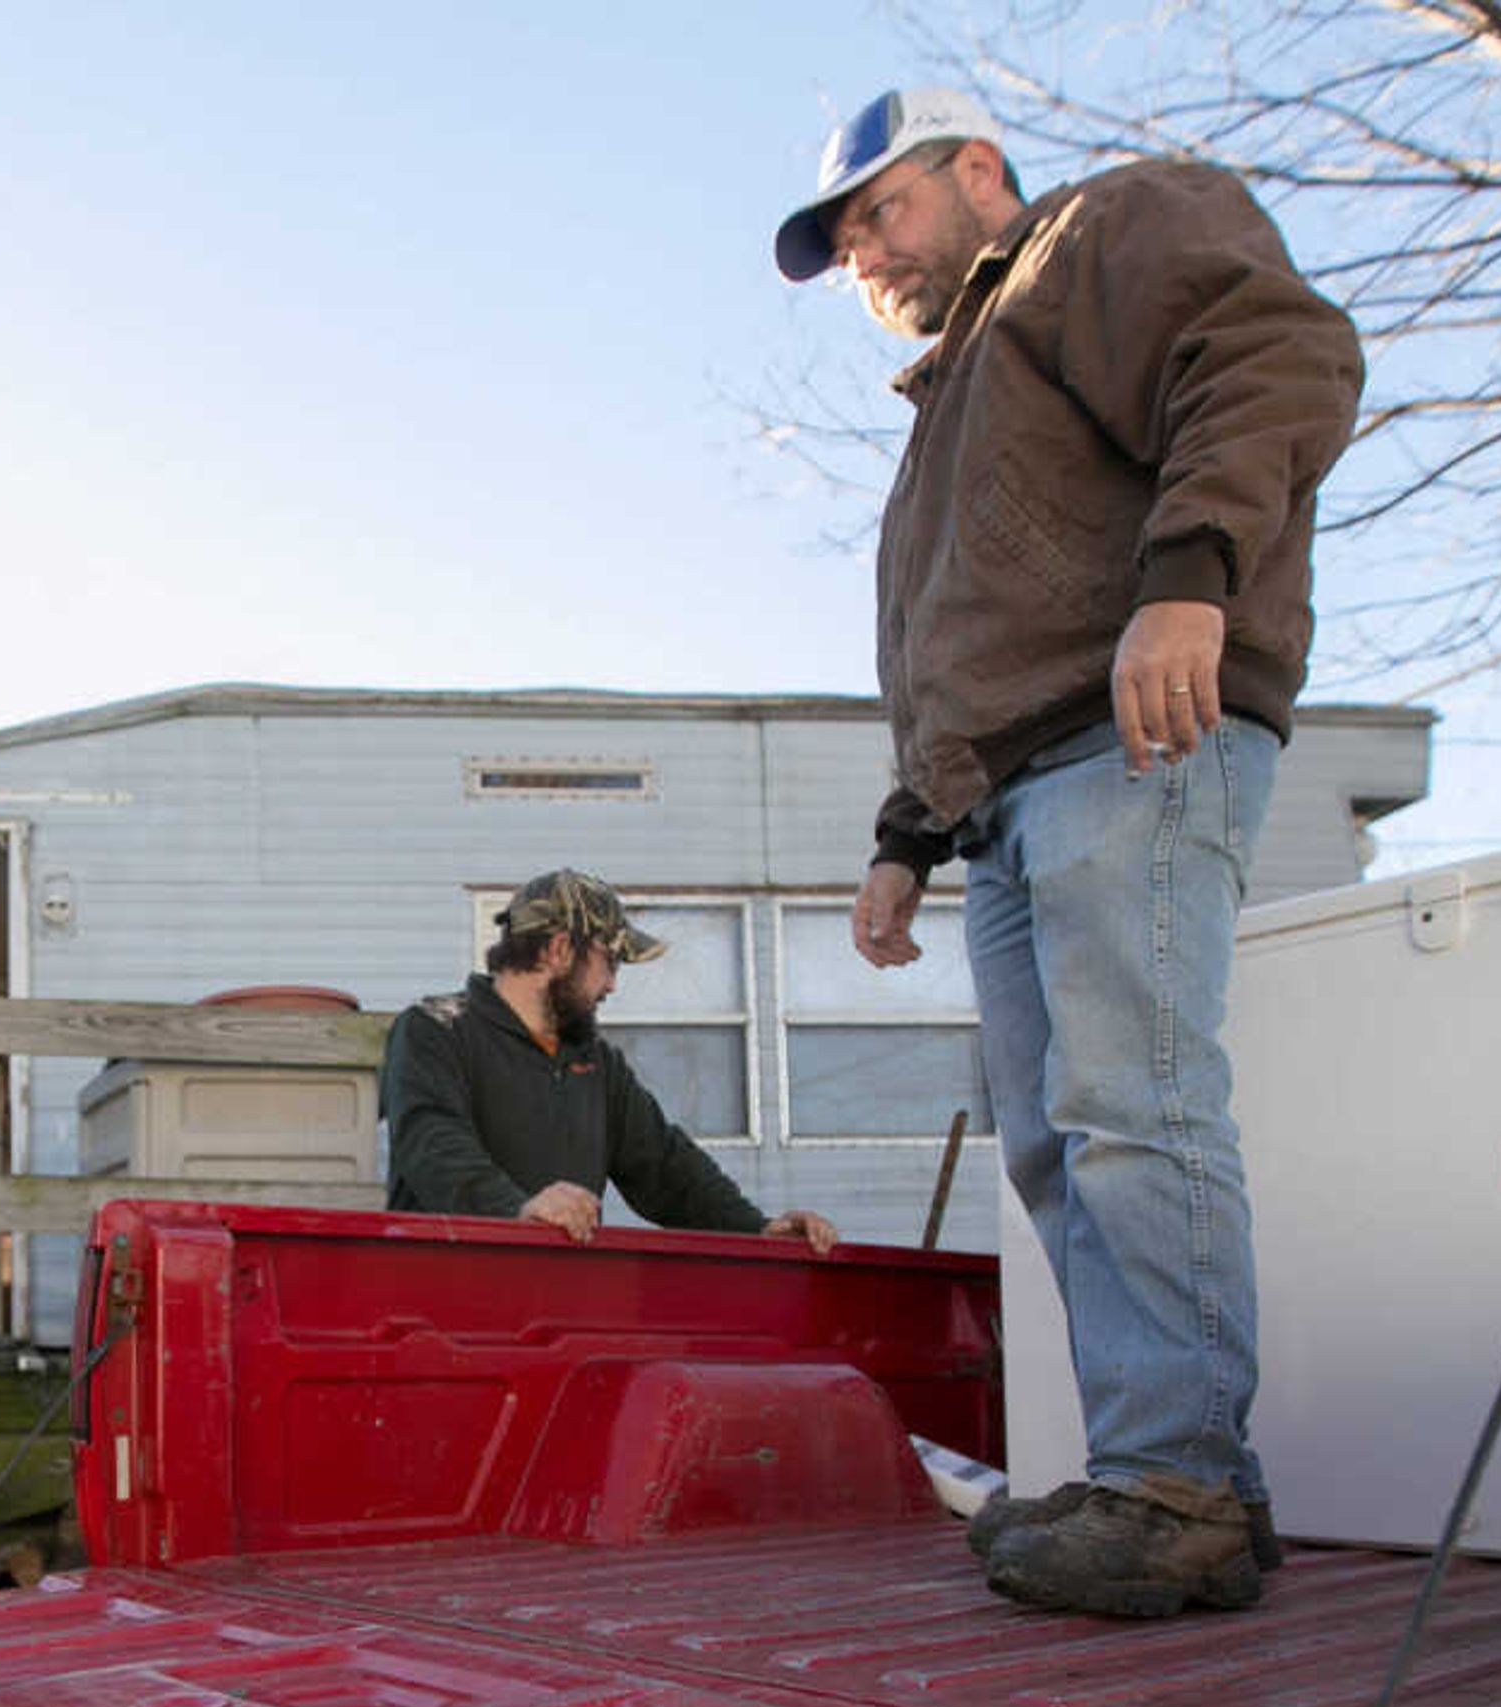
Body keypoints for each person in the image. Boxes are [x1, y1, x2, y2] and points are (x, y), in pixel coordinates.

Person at [775, 86, 1361, 1617]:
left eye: (880, 212)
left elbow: (1276, 355)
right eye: (843, 243)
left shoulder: (1100, 230)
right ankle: (1160, 1475)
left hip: (1136, 728)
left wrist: (1191, 581)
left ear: (978, 171)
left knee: (1129, 1100)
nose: (865, 256)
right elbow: (955, 643)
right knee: (1051, 1138)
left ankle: (1180, 1479)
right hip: (1011, 785)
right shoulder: (952, 399)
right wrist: (910, 827)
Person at [384, 869, 837, 1251]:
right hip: (441, 1300)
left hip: (551, 1306)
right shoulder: (434, 1030)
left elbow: (665, 1165)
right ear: (559, 950)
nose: (612, 986)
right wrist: (516, 1209)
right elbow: (432, 1143)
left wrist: (757, 1228)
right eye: (611, 963)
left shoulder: (596, 1064)